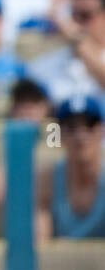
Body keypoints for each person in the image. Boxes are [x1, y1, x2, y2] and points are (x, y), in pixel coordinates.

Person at [24, 0, 105, 103]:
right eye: (73, 14)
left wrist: (78, 40)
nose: (76, 22)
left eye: (85, 15)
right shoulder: (42, 66)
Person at [37, 94, 105, 240]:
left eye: (89, 125)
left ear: (101, 130)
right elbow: (40, 242)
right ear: (59, 134)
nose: (81, 135)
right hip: (59, 263)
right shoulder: (47, 181)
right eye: (71, 127)